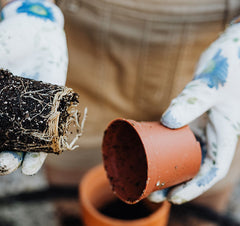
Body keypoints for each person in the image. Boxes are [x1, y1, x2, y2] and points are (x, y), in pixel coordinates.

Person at [1, 0, 240, 224]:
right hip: (85, 43)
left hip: (211, 58)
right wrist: (24, 5)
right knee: (75, 190)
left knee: (198, 187)